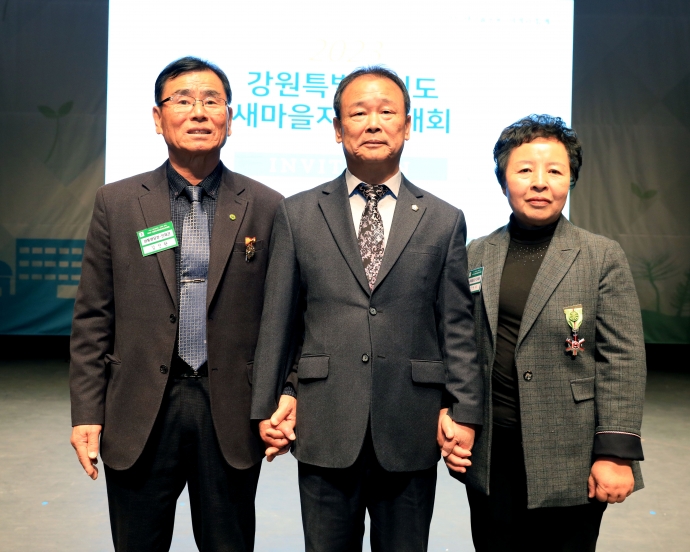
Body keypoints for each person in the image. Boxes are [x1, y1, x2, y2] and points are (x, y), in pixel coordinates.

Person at [249, 66, 483, 552]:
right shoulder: (298, 213)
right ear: (337, 129)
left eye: (386, 112)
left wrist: (464, 411)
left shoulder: (443, 219)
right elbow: (280, 320)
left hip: (411, 424)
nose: (373, 123)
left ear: (408, 126)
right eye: (358, 113)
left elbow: (457, 328)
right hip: (326, 421)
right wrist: (269, 402)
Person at [69, 56, 283, 551]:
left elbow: (283, 315)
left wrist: (281, 395)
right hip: (140, 408)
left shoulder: (268, 205)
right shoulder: (117, 202)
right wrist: (86, 412)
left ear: (229, 117)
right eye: (183, 101)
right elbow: (93, 317)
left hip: (229, 409)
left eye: (212, 101)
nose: (199, 112)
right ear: (157, 117)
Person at [444, 114, 646, 551]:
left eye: (554, 170)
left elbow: (623, 360)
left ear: (570, 180)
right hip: (492, 453)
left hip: (571, 453)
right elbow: (457, 343)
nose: (540, 182)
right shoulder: (476, 253)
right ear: (503, 182)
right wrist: (449, 410)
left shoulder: (600, 256)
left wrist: (615, 453)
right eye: (524, 170)